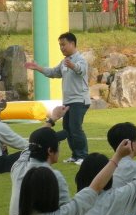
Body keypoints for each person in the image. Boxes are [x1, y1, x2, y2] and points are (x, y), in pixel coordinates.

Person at [25, 32, 91, 164]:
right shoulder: (64, 62)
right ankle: (75, 155)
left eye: (63, 44)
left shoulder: (80, 59)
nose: (61, 48)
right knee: (68, 129)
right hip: (68, 102)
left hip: (79, 100)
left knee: (76, 128)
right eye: (60, 45)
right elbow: (53, 73)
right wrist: (38, 68)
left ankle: (83, 156)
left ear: (72, 44)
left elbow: (81, 70)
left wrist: (73, 66)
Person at [8, 110, 70, 215]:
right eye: (58, 144)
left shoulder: (17, 167)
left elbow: (33, 144)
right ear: (50, 151)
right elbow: (67, 213)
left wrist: (52, 119)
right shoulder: (54, 176)